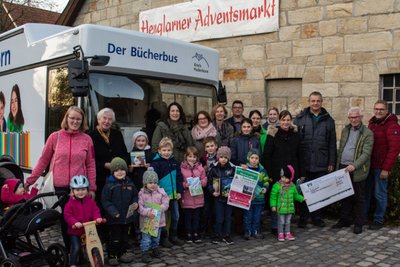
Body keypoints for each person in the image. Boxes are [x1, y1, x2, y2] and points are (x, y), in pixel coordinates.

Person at [26, 106, 96, 250]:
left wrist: (92, 188)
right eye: (72, 118)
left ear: (82, 121)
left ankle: (81, 247)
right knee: (67, 220)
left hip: (79, 188)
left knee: (82, 219)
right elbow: (43, 161)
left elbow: (91, 165)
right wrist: (29, 181)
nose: (75, 121)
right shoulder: (55, 137)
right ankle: (72, 250)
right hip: (59, 188)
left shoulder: (87, 139)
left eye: (78, 119)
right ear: (66, 118)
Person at [295, 91, 336, 228]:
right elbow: (296, 143)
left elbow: (332, 143)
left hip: (321, 162)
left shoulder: (329, 120)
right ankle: (303, 217)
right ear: (309, 102)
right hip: (305, 162)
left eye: (318, 101)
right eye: (313, 101)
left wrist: (331, 162)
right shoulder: (300, 118)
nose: (315, 103)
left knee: (318, 192)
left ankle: (316, 217)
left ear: (321, 102)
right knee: (304, 191)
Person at [332, 107, 373, 234]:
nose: (353, 120)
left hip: (357, 169)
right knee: (344, 195)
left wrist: (354, 165)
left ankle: (359, 223)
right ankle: (344, 219)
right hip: (343, 167)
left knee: (358, 198)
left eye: (355, 117)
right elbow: (342, 147)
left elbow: (366, 154)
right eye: (351, 117)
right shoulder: (345, 130)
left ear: (361, 117)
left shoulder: (367, 133)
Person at [264, 110, 304, 234]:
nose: (286, 122)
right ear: (279, 120)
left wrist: (301, 173)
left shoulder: (296, 135)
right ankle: (276, 226)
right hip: (277, 173)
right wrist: (269, 174)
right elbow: (267, 156)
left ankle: (286, 225)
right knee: (277, 198)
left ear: (291, 121)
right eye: (283, 120)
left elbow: (300, 155)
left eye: (288, 120)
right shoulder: (272, 135)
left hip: (292, 172)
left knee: (288, 198)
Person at [365, 100, 400, 230]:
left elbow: (394, 149)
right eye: (376, 109)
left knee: (380, 193)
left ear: (387, 111)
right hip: (369, 165)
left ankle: (378, 220)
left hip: (381, 167)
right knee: (366, 192)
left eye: (381, 109)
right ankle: (363, 217)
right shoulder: (372, 123)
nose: (378, 111)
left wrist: (386, 169)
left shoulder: (392, 126)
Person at [101, 157, 138, 266]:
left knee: (124, 238)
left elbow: (135, 195)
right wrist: (113, 212)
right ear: (112, 172)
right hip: (114, 219)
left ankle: (122, 254)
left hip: (126, 218)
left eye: (122, 170)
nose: (120, 172)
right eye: (116, 170)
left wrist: (135, 203)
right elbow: (106, 201)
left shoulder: (130, 184)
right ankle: (112, 255)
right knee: (115, 238)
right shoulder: (109, 186)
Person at [89, 108, 129, 207]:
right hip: (100, 179)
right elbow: (88, 160)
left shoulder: (117, 134)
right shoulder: (90, 136)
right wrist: (103, 165)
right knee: (102, 206)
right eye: (104, 118)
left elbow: (124, 153)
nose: (107, 121)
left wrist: (122, 165)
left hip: (118, 178)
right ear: (98, 119)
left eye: (110, 119)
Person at [151, 137, 184, 247]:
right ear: (159, 151)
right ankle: (164, 238)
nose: (166, 152)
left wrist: (179, 191)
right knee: (163, 217)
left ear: (172, 151)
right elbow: (153, 180)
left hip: (174, 195)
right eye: (164, 150)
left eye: (169, 150)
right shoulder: (156, 163)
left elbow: (179, 177)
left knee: (176, 216)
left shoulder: (174, 162)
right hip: (162, 196)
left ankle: (173, 236)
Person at [64, 175, 102, 267]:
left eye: (83, 189)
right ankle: (73, 264)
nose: (80, 192)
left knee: (94, 244)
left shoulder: (90, 201)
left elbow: (95, 210)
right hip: (75, 231)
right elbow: (67, 215)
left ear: (87, 190)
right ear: (72, 191)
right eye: (77, 190)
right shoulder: (70, 204)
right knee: (76, 247)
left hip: (88, 229)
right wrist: (74, 222)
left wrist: (97, 218)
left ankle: (94, 260)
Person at [138, 167, 169, 263]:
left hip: (158, 221)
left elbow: (166, 203)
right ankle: (145, 252)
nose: (153, 185)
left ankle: (155, 249)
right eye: (150, 183)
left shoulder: (161, 192)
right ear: (145, 183)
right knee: (146, 239)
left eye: (155, 183)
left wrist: (160, 208)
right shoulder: (142, 194)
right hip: (146, 221)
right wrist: (147, 212)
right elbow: (140, 207)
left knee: (156, 237)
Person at [208, 146, 235, 245]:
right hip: (218, 198)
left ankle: (227, 235)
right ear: (218, 157)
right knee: (219, 217)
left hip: (229, 198)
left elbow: (237, 182)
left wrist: (231, 192)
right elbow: (209, 183)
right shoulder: (213, 169)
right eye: (221, 157)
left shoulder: (233, 169)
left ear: (228, 158)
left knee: (228, 217)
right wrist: (212, 192)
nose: (223, 159)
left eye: (225, 157)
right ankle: (217, 235)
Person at [270, 165, 304, 242]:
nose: (283, 179)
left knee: (288, 221)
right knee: (281, 221)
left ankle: (287, 233)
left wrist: (302, 198)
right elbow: (273, 196)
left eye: (285, 177)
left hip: (289, 208)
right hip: (281, 208)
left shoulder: (292, 186)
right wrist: (273, 205)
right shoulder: (277, 186)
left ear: (290, 178)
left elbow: (296, 195)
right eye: (282, 177)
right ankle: (281, 233)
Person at [180, 146, 207, 243]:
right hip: (187, 197)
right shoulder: (182, 168)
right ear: (186, 157)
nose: (192, 159)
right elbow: (180, 181)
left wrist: (201, 183)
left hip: (198, 197)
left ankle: (196, 233)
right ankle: (189, 233)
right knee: (188, 217)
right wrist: (185, 185)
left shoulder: (200, 168)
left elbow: (204, 179)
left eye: (194, 157)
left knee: (196, 217)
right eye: (190, 156)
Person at [242, 149, 269, 240]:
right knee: (247, 216)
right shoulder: (245, 169)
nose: (254, 160)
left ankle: (256, 231)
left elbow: (266, 181)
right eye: (252, 158)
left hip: (259, 198)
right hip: (248, 198)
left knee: (257, 217)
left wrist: (265, 187)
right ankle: (248, 232)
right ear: (248, 158)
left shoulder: (262, 170)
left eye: (256, 158)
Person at [199, 136, 218, 237]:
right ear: (205, 148)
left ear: (216, 146)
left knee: (215, 209)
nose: (210, 148)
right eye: (208, 146)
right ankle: (203, 228)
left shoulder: (219, 158)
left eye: (212, 146)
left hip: (216, 184)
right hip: (206, 185)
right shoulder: (202, 159)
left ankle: (214, 229)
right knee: (206, 208)